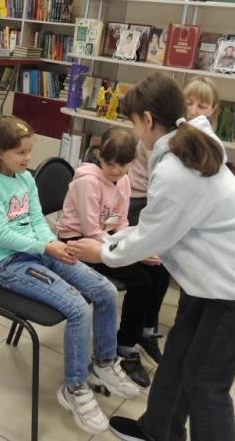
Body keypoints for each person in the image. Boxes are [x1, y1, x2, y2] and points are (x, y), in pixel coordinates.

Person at [69, 73, 235, 441]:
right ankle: (158, 430)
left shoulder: (176, 170)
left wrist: (103, 250)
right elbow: (155, 227)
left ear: (147, 120)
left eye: (133, 122)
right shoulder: (188, 141)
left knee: (205, 384)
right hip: (216, 276)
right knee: (179, 354)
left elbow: (151, 235)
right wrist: (113, 242)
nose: (134, 132)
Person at [0, 116, 138, 435]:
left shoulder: (25, 178)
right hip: (11, 264)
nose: (28, 158)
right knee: (78, 308)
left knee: (104, 290)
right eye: (21, 152)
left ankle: (103, 363)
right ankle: (74, 387)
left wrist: (52, 244)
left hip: (42, 250)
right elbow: (2, 235)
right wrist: (45, 247)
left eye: (29, 151)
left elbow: (36, 219)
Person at [57, 127, 162, 389]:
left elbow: (121, 222)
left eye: (122, 165)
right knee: (141, 281)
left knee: (158, 270)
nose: (115, 171)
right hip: (78, 244)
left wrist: (133, 247)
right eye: (109, 164)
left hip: (105, 239)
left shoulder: (124, 181)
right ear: (100, 156)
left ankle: (142, 334)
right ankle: (125, 348)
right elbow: (91, 231)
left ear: (132, 163)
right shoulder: (87, 182)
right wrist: (128, 253)